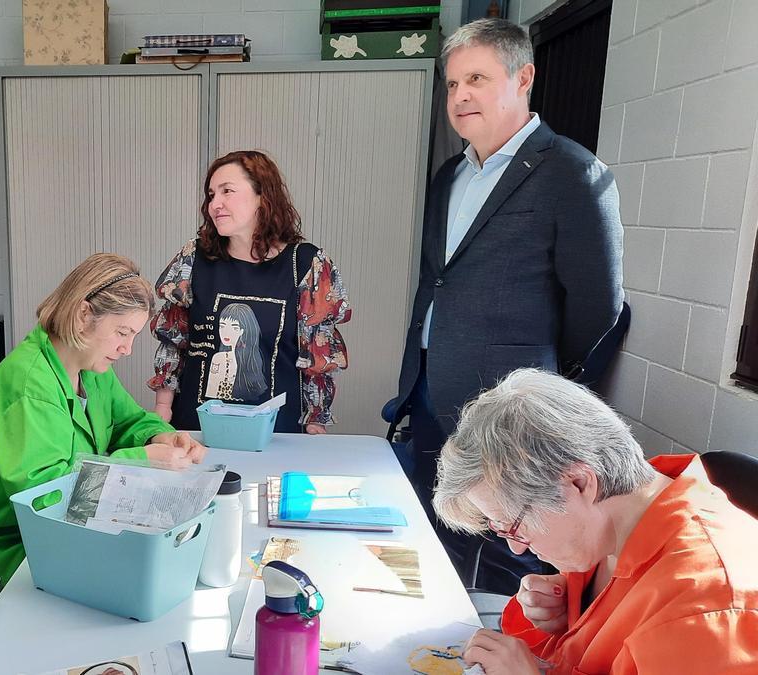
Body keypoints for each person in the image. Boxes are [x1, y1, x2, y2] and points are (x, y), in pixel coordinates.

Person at [386, 19, 624, 593]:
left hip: (513, 408)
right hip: (428, 388)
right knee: (433, 539)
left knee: (503, 553)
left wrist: (538, 379)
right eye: (451, 84)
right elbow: (436, 282)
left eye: (476, 78)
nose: (460, 94)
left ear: (524, 78)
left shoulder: (571, 172)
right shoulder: (450, 176)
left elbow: (598, 307)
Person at [432, 369, 758, 675]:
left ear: (579, 483)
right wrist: (553, 622)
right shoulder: (612, 523)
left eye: (514, 525)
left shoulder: (706, 611)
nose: (516, 548)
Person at [0, 253, 207, 595]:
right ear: (83, 316)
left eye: (134, 335)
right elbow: (45, 497)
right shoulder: (29, 385)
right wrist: (142, 461)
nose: (127, 349)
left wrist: (162, 436)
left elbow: (129, 419)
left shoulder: (89, 368)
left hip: (56, 534)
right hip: (0, 553)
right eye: (122, 332)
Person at [150, 150, 351, 434]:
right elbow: (174, 339)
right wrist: (162, 409)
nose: (214, 204)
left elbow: (319, 353)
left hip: (276, 434)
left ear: (262, 197)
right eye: (211, 195)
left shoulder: (305, 264)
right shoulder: (194, 259)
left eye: (227, 191)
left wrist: (315, 421)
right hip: (198, 431)